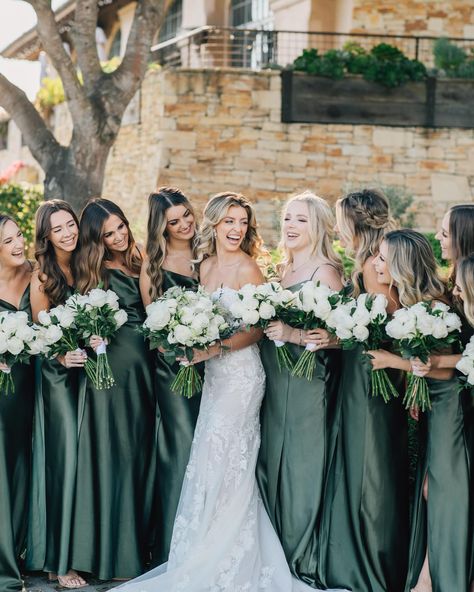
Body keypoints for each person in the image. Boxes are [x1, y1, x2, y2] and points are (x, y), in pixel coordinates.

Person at [116, 192, 347, 592]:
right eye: (229, 222)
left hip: (242, 378)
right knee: (208, 461)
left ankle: (231, 555)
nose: (236, 229)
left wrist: (207, 350)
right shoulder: (202, 268)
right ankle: (202, 547)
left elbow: (255, 330)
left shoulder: (250, 269)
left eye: (242, 222)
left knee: (231, 462)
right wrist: (190, 344)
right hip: (213, 378)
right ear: (216, 225)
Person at [370, 230, 470, 592]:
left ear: (399, 263)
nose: (376, 264)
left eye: (382, 258)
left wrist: (392, 360)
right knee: (430, 487)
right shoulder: (411, 302)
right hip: (431, 405)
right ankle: (428, 575)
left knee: (442, 489)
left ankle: (443, 578)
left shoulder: (437, 306)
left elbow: (452, 366)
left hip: (450, 407)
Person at [320, 189, 409, 592]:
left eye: (341, 220)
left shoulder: (376, 264)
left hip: (372, 375)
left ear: (356, 221)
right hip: (359, 372)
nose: (338, 229)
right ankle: (354, 556)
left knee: (371, 464)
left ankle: (373, 562)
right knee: (358, 460)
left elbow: (387, 322)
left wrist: (337, 334)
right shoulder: (367, 260)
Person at [257, 191, 343, 587]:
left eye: (301, 220)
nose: (290, 226)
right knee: (273, 458)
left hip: (308, 382)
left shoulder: (325, 271)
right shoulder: (282, 269)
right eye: (288, 218)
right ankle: (272, 548)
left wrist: (292, 333)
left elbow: (339, 336)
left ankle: (300, 553)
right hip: (275, 379)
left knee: (302, 465)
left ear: (319, 227)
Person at [70, 198, 155, 580]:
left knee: (137, 451)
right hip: (111, 370)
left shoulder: (138, 257)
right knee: (112, 452)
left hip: (144, 370)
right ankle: (110, 557)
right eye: (109, 233)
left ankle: (133, 548)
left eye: (121, 226)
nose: (119, 236)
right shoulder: (94, 269)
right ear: (96, 238)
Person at [139, 187, 202, 565]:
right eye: (173, 222)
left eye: (185, 216)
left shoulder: (207, 251)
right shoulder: (153, 263)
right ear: (161, 226)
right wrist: (174, 344)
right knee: (183, 444)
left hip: (214, 360)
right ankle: (172, 546)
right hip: (172, 366)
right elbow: (152, 322)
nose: (183, 226)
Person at [27, 200, 87, 589]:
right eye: (58, 229)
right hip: (56, 373)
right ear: (46, 236)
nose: (68, 233)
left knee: (80, 461)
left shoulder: (84, 264)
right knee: (63, 460)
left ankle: (66, 552)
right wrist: (62, 355)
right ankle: (59, 563)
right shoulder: (42, 276)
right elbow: (39, 334)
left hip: (86, 369)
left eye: (71, 224)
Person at [0, 214, 34, 592]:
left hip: (32, 385)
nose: (18, 244)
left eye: (19, 235)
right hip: (1, 389)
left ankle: (23, 545)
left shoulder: (35, 275)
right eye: (8, 240)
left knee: (24, 462)